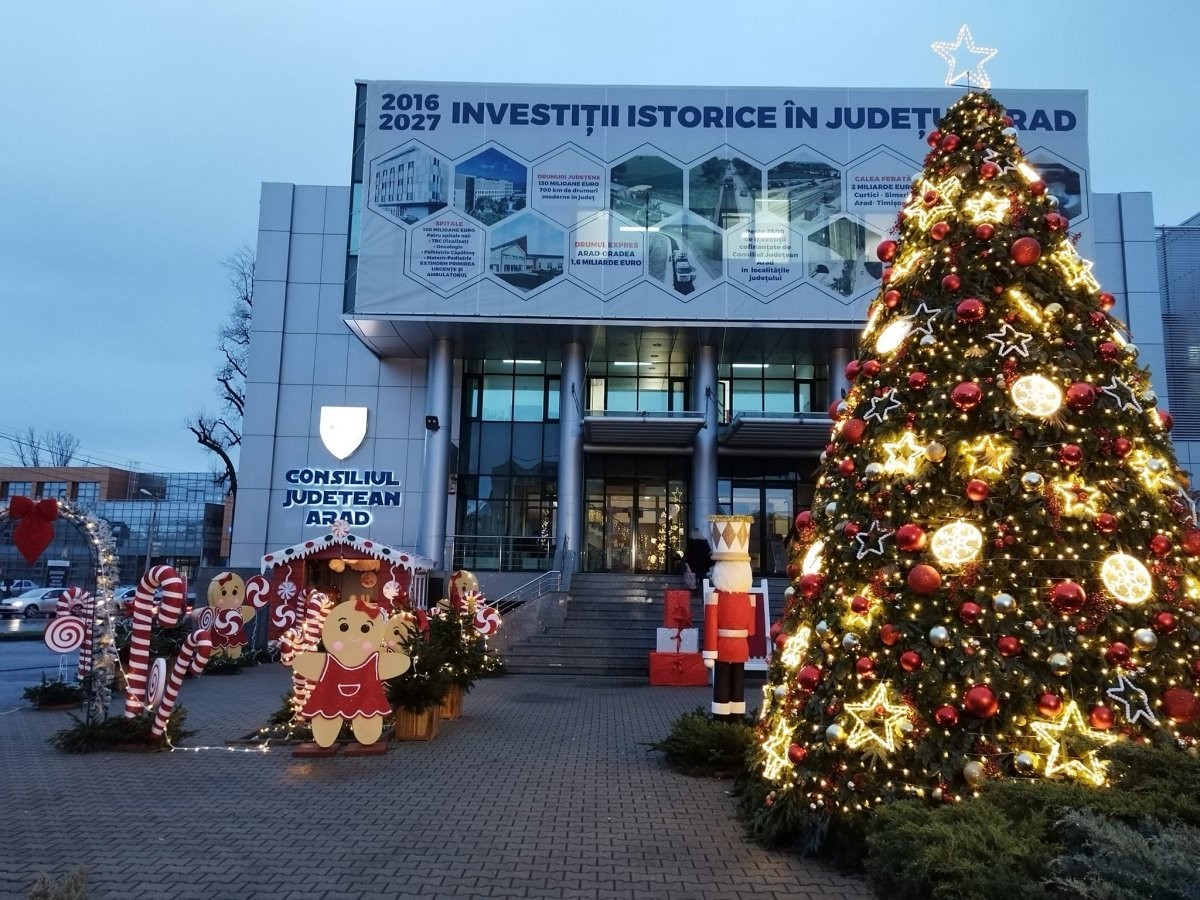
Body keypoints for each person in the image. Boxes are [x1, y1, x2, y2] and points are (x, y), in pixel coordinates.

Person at [684, 529, 713, 595]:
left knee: (693, 579)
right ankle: (704, 591)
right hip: (703, 564)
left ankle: (695, 591)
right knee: (702, 578)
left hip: (693, 564)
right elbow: (709, 552)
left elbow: (688, 554)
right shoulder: (704, 542)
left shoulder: (691, 542)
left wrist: (687, 563)